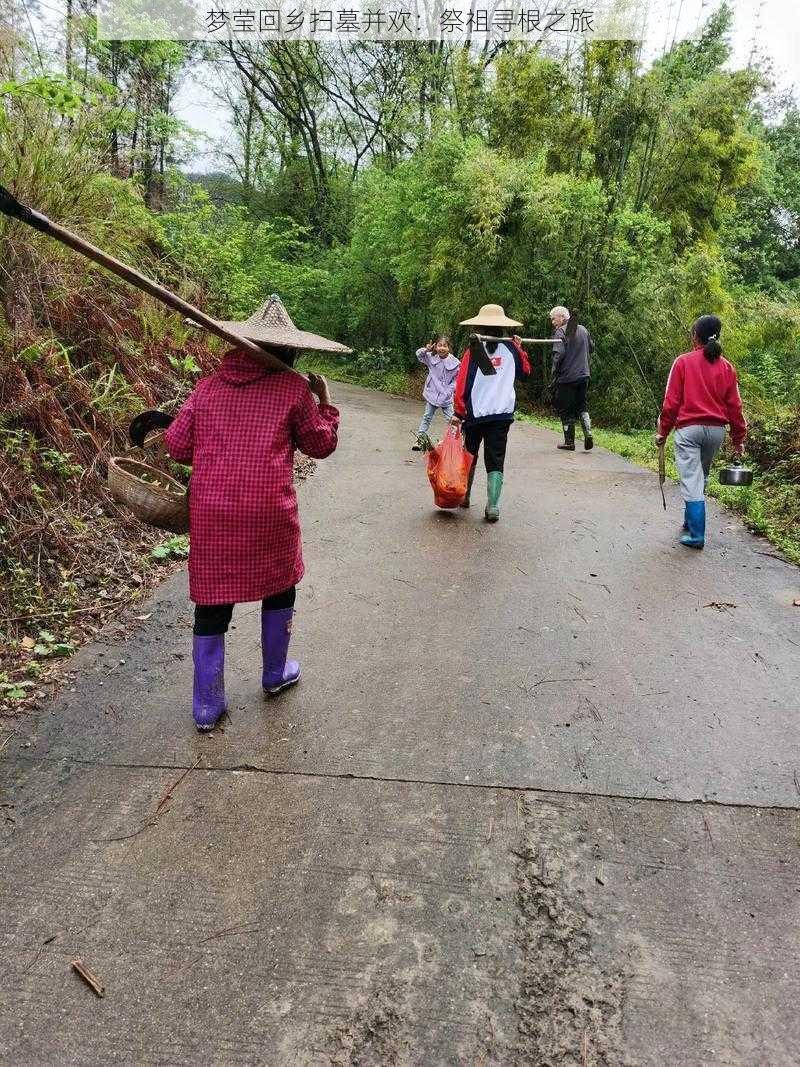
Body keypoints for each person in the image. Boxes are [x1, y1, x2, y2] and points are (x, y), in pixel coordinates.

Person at [163, 294, 348, 731]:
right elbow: (321, 444)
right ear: (289, 351)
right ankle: (274, 673)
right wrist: (325, 402)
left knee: (212, 602)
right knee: (279, 587)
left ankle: (207, 704)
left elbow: (176, 445)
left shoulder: (206, 388)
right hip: (269, 511)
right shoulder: (292, 390)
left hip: (213, 513)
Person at [655, 313, 747, 550]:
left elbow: (671, 402)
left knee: (691, 479)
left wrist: (663, 431)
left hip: (689, 430)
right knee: (700, 476)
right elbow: (735, 407)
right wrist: (738, 439)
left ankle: (697, 535)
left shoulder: (683, 362)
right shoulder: (727, 367)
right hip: (716, 432)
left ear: (695, 336)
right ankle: (689, 521)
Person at [450, 303, 531, 522]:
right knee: (495, 458)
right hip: (502, 414)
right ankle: (493, 506)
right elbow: (525, 372)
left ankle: (464, 496)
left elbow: (462, 384)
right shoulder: (512, 349)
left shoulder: (473, 351)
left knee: (470, 454)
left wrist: (458, 411)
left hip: (476, 414)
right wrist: (520, 349)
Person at [550, 306, 594, 451]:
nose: (552, 322)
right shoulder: (583, 329)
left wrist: (554, 375)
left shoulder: (560, 331)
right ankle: (588, 432)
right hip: (583, 375)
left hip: (567, 377)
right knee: (582, 405)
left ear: (562, 317)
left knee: (565, 409)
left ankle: (569, 442)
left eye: (553, 319)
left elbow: (558, 355)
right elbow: (592, 347)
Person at [412, 336, 460, 450]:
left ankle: (452, 442)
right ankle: (420, 439)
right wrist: (426, 349)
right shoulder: (431, 357)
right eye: (439, 345)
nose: (442, 348)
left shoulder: (455, 363)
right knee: (427, 417)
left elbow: (458, 379)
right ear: (436, 346)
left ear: (449, 348)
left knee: (452, 420)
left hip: (446, 397)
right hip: (432, 394)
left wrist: (449, 391)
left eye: (444, 346)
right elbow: (419, 355)